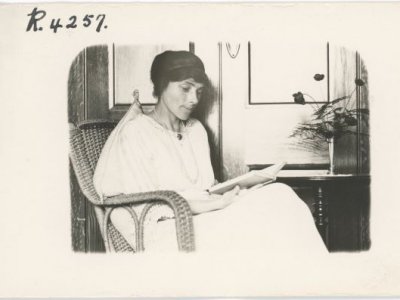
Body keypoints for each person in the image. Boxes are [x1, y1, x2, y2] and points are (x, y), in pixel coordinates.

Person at [93, 50, 327, 254]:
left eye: (199, 91)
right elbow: (141, 208)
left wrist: (237, 191)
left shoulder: (196, 130)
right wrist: (214, 205)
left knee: (280, 195)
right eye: (185, 89)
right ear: (161, 85)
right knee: (259, 230)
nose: (193, 99)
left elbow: (207, 187)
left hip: (206, 216)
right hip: (167, 232)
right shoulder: (137, 132)